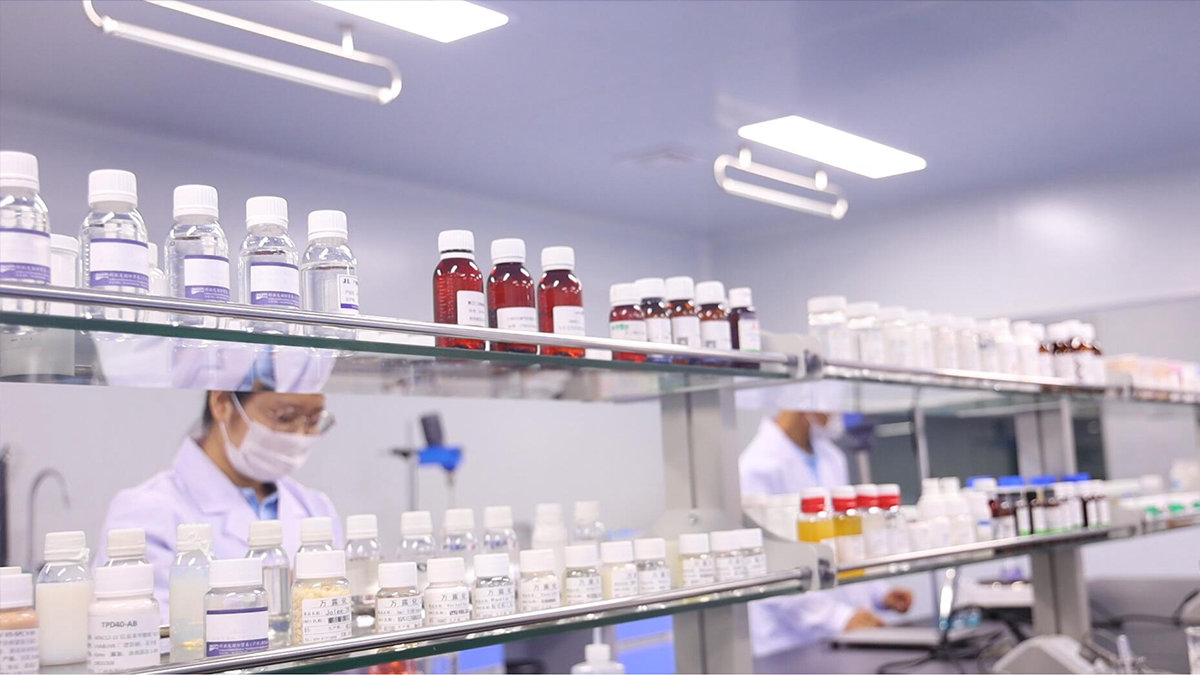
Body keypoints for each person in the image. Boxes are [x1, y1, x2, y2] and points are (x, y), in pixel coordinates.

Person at [97, 389, 340, 613]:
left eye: (313, 420)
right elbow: (149, 632)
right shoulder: (145, 512)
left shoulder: (315, 507)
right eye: (284, 417)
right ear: (222, 402)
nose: (299, 435)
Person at [740, 408, 913, 662]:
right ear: (804, 402)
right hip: (789, 643)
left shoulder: (831, 457)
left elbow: (844, 542)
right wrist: (837, 617)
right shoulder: (756, 468)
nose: (836, 414)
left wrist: (878, 592)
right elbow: (769, 568)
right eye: (830, 404)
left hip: (846, 637)